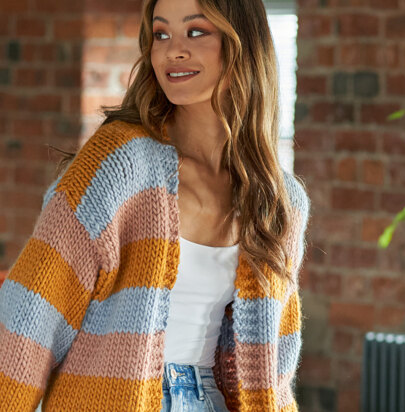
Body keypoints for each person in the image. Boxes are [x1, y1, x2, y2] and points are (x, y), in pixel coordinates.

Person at [0, 0, 311, 410]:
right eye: (161, 34)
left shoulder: (279, 201)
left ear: (243, 44)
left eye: (196, 32)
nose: (172, 50)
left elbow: (276, 367)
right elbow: (31, 317)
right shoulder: (119, 165)